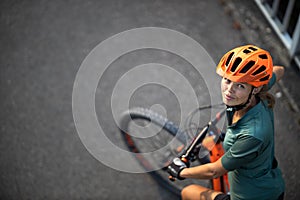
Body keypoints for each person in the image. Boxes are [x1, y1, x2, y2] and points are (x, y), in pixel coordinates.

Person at [167, 45, 285, 200]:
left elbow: (213, 171)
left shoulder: (252, 135)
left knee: (188, 192)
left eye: (240, 85)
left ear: (255, 89)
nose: (229, 90)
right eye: (227, 80)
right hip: (269, 180)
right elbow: (280, 70)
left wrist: (180, 171)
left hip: (250, 196)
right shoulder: (259, 94)